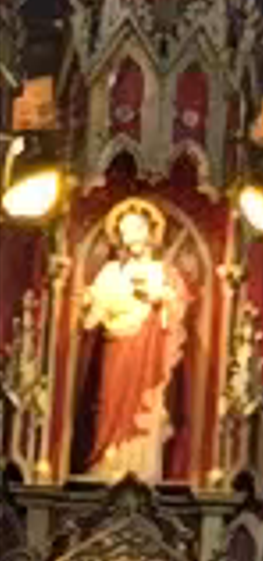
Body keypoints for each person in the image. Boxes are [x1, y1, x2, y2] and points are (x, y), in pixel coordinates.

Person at [68, 197, 189, 484]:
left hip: (148, 354)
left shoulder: (163, 272)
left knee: (145, 408)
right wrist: (86, 305)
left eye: (135, 227)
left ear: (150, 231)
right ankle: (108, 462)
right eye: (123, 230)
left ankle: (141, 468)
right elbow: (92, 319)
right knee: (111, 406)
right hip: (117, 350)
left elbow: (177, 309)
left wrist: (160, 299)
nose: (129, 235)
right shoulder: (110, 272)